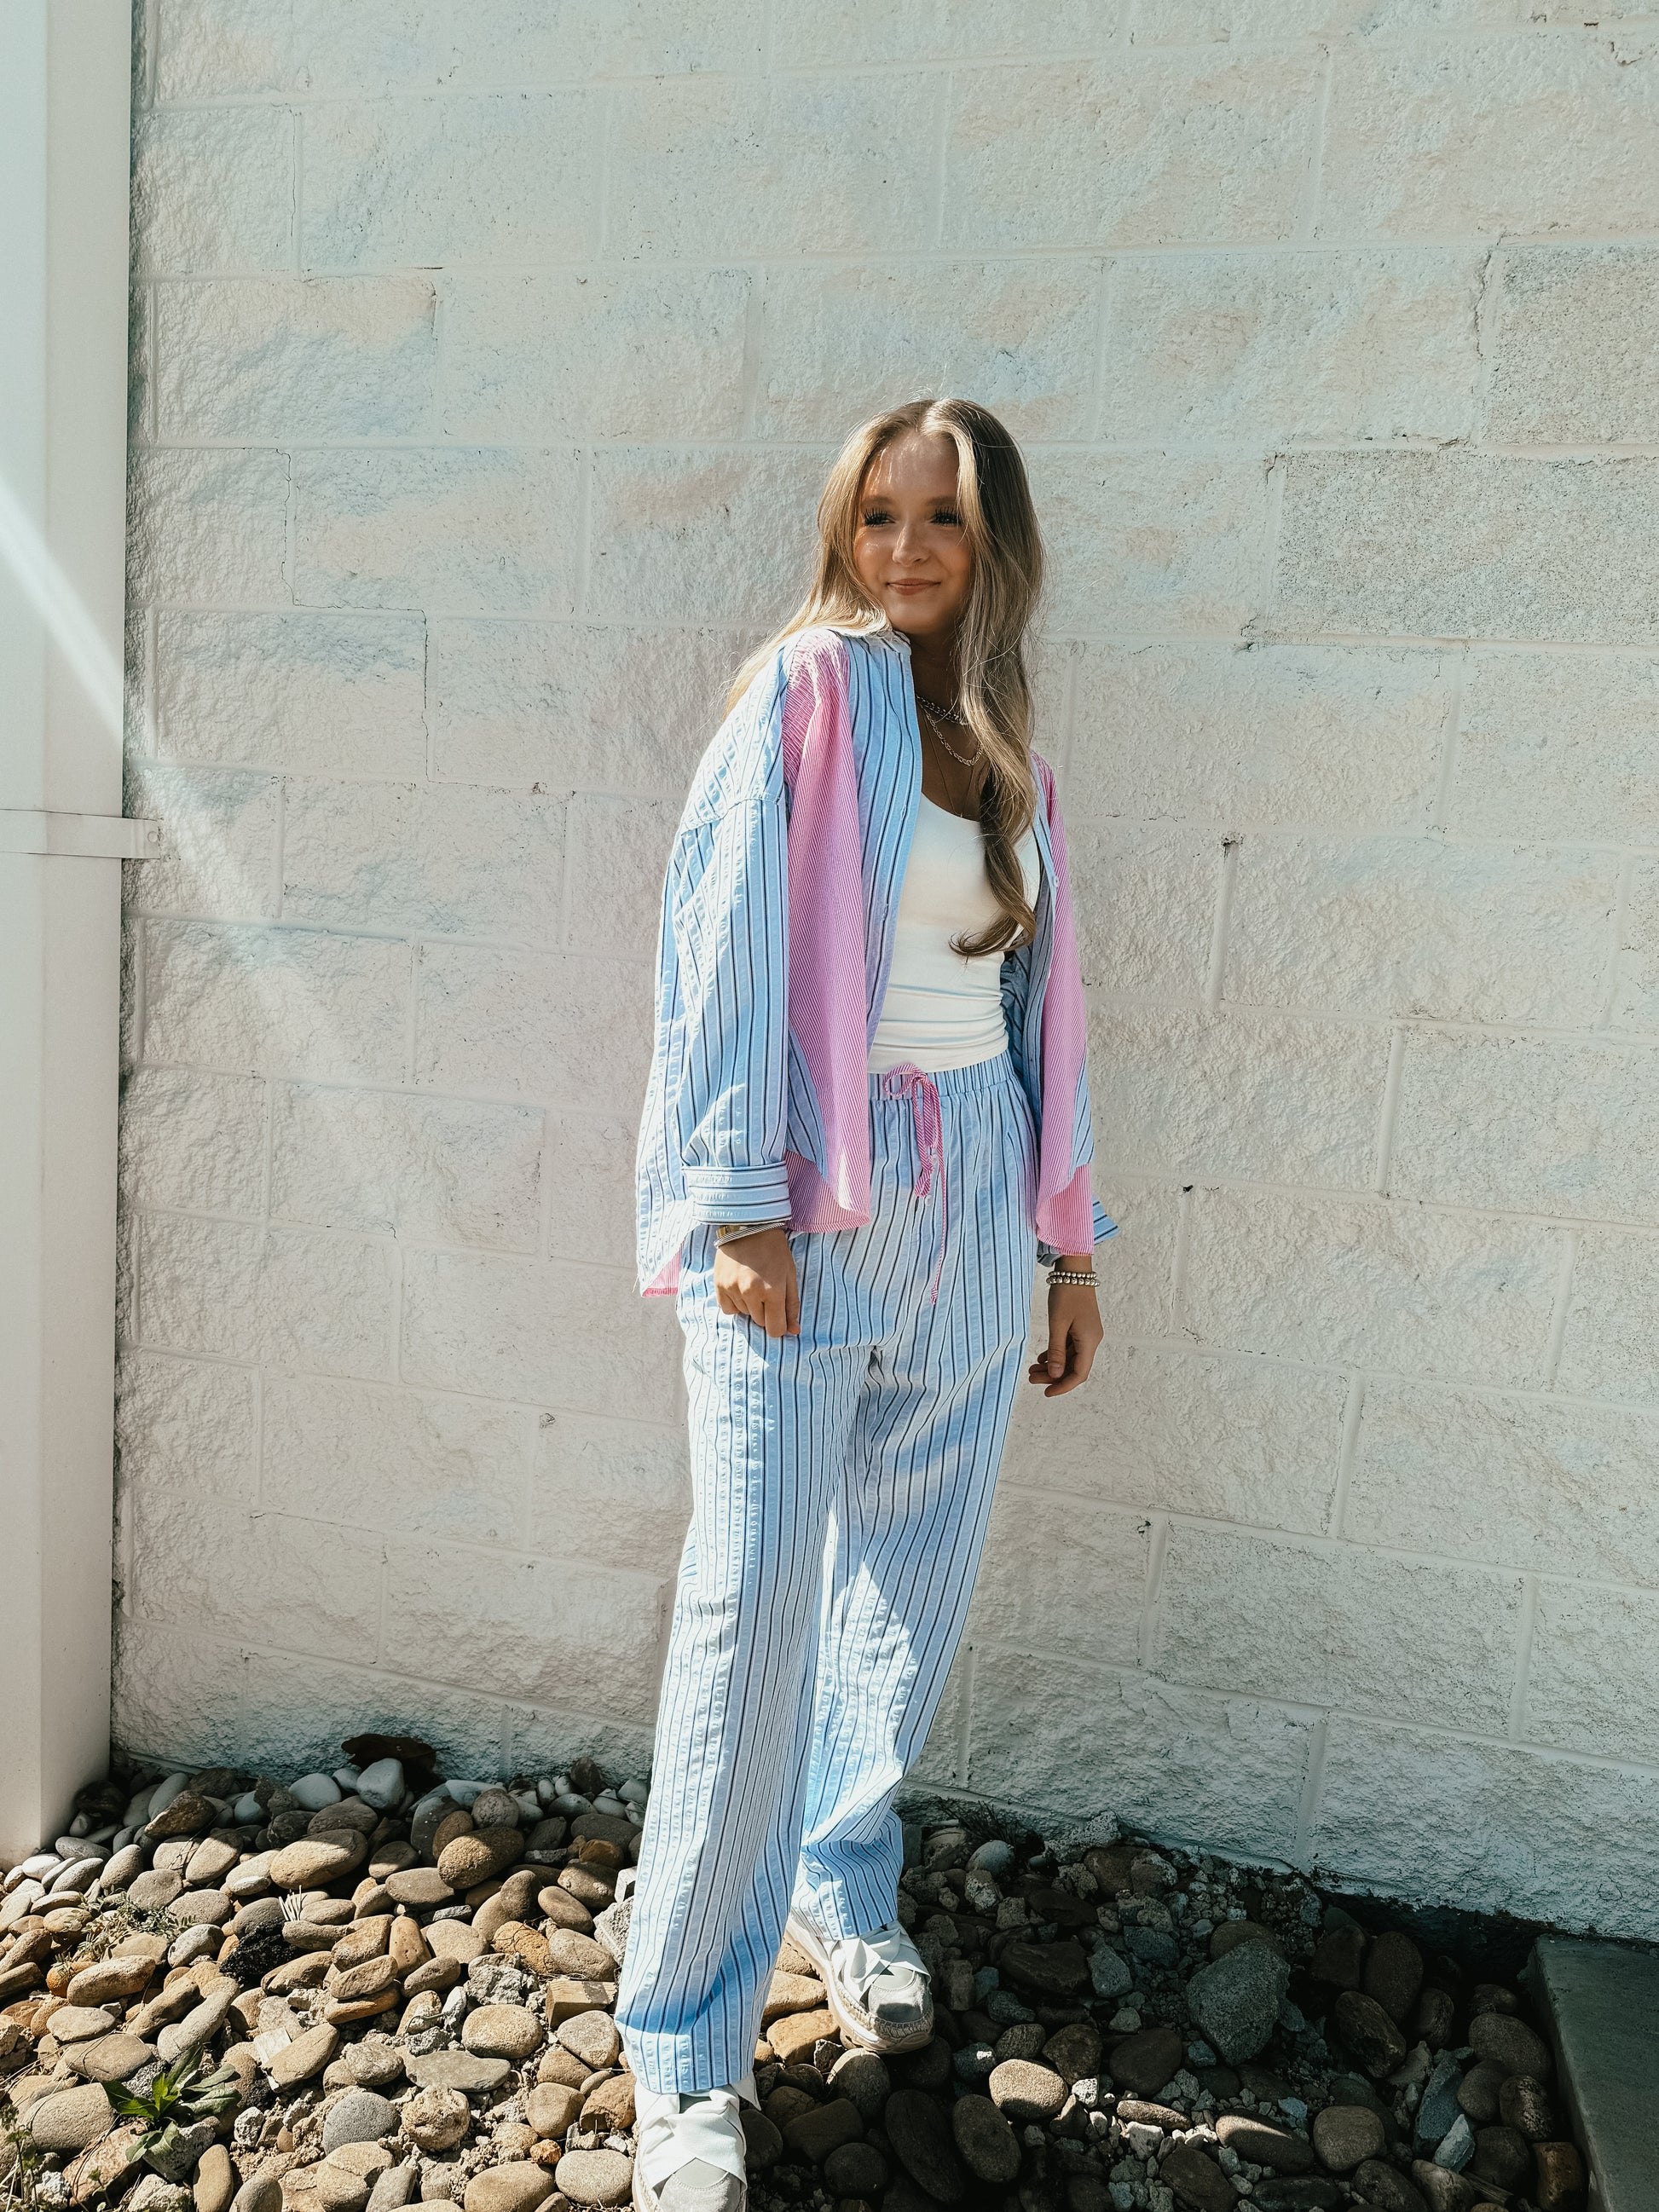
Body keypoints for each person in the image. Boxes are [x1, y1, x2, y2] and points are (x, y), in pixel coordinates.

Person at [618, 397, 1117, 2212]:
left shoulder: (1005, 740)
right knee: (751, 1611)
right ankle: (684, 2050)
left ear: (995, 547)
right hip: (810, 1206)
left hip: (974, 1201)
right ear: (844, 531)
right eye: (879, 514)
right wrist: (738, 1203)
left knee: (908, 1585)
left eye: (943, 519)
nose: (906, 548)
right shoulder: (805, 693)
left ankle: (841, 1882)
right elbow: (716, 949)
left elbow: (1042, 1004)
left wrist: (1067, 1244)